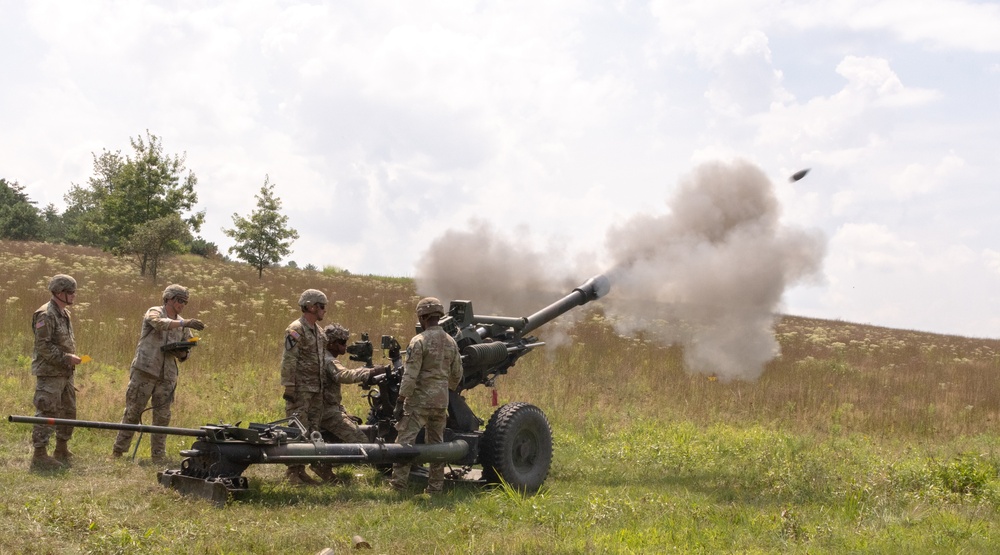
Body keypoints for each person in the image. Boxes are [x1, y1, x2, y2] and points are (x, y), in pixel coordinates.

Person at [112, 284, 205, 461]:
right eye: (179, 300)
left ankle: (158, 455)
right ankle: (118, 451)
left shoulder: (183, 324)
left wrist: (183, 352)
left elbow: (188, 346)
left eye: (185, 302)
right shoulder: (154, 312)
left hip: (167, 376)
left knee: (162, 416)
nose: (182, 305)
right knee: (133, 411)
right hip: (146, 371)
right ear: (168, 298)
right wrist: (184, 322)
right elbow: (158, 323)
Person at [389, 297, 463, 494]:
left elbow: (410, 374)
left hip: (418, 402)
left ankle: (398, 486)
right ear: (438, 316)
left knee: (404, 442)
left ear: (422, 317)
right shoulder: (451, 342)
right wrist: (445, 389)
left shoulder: (419, 341)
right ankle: (435, 488)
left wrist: (400, 400)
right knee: (437, 445)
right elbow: (457, 373)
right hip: (440, 403)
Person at [310, 324, 388, 483]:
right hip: (327, 413)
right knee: (361, 441)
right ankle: (323, 465)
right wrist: (369, 372)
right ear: (330, 343)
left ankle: (325, 465)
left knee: (348, 432)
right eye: (341, 342)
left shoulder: (321, 356)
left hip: (327, 409)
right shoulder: (327, 360)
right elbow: (343, 375)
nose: (345, 346)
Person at [29, 274, 82, 471]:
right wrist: (65, 358)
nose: (74, 296)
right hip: (50, 372)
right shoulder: (46, 314)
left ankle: (61, 448)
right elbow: (43, 345)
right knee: (47, 410)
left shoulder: (64, 313)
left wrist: (68, 360)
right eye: (71, 292)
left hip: (65, 372)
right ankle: (40, 454)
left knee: (68, 410)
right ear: (59, 293)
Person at [280, 289, 328, 485]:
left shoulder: (319, 331)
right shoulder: (296, 329)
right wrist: (289, 386)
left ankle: (302, 470)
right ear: (311, 306)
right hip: (300, 389)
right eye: (322, 306)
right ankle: (293, 472)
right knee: (297, 428)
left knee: (313, 429)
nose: (325, 311)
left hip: (316, 389)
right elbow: (289, 359)